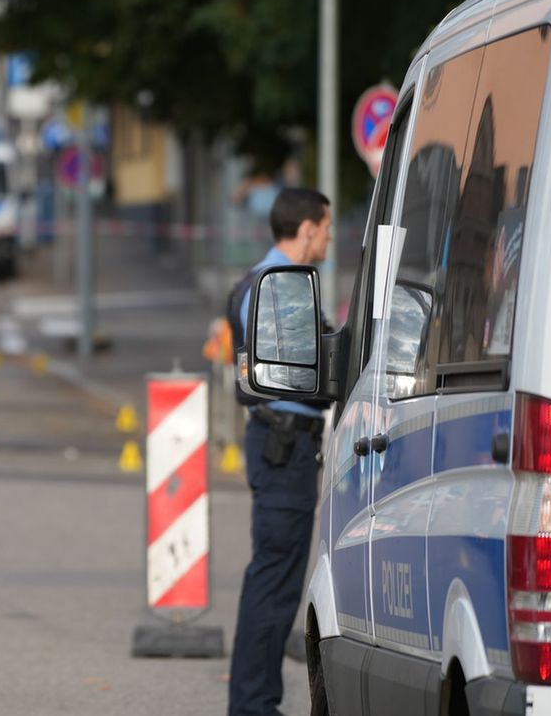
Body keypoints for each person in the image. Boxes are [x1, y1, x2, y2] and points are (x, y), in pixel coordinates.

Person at [226, 187, 332, 716]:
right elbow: (303, 376)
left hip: (280, 441)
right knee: (272, 582)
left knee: (274, 579)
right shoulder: (280, 289)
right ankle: (253, 706)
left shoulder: (267, 282)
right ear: (308, 228)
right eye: (327, 227)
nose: (329, 238)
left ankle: (253, 702)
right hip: (284, 443)